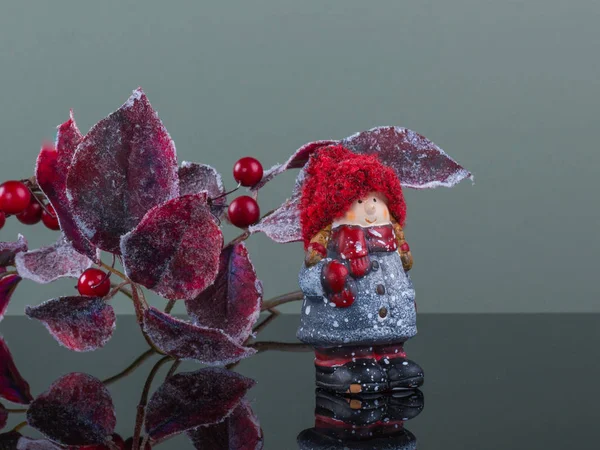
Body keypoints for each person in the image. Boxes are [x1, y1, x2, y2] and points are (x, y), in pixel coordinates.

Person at [297, 145, 424, 394]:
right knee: (355, 362)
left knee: (391, 353)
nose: (369, 208)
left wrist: (405, 299)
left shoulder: (392, 246)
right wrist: (327, 277)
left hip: (390, 328)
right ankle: (339, 364)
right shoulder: (331, 246)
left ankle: (391, 358)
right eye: (359, 201)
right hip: (341, 330)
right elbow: (307, 278)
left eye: (376, 199)